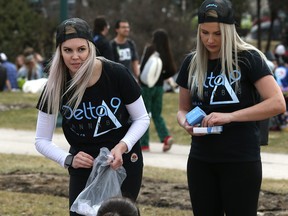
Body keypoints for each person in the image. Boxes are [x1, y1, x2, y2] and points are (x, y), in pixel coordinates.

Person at [176, 0, 286, 215]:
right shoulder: (191, 62)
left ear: (229, 30)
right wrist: (185, 122)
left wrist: (230, 116)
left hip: (240, 159)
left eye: (217, 33)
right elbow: (182, 109)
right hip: (201, 160)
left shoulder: (248, 58)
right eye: (204, 32)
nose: (210, 39)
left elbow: (277, 103)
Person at [35, 17, 150, 216]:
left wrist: (122, 146)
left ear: (90, 48)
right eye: (67, 50)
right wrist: (69, 159)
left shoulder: (116, 74)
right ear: (59, 52)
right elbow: (41, 140)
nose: (75, 56)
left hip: (122, 162)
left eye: (81, 49)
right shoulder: (54, 86)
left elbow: (142, 118)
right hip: (83, 166)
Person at [139, 29, 177, 152]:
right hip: (159, 87)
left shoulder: (150, 49)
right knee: (157, 114)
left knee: (144, 116)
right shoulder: (166, 52)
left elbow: (143, 68)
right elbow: (172, 70)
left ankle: (144, 144)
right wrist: (160, 78)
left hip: (146, 87)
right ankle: (166, 137)